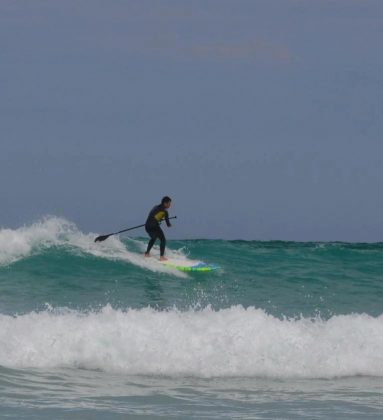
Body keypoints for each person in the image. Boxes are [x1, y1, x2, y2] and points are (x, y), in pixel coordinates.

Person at [144, 196, 172, 261]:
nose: (170, 205)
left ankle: (147, 253)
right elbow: (168, 224)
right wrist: (170, 224)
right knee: (163, 240)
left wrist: (159, 219)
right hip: (154, 226)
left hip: (147, 226)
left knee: (153, 238)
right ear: (165, 203)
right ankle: (161, 257)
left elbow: (152, 216)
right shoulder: (165, 212)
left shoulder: (155, 207)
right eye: (169, 203)